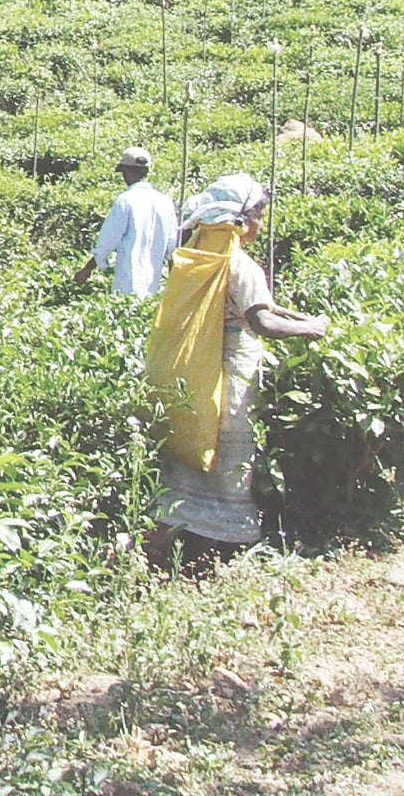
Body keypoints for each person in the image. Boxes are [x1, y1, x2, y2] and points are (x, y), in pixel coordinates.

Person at [147, 174, 327, 557]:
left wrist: (293, 315)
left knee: (195, 447)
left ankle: (173, 535)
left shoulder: (198, 258)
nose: (262, 223)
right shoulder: (243, 266)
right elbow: (261, 321)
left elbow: (262, 308)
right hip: (232, 371)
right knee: (230, 450)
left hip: (196, 371)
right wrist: (314, 328)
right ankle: (222, 546)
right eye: (260, 214)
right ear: (244, 219)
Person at [76, 146, 178, 296]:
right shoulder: (164, 201)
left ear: (127, 171)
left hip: (128, 281)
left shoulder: (125, 201)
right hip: (155, 283)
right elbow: (172, 245)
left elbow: (108, 241)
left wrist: (88, 269)